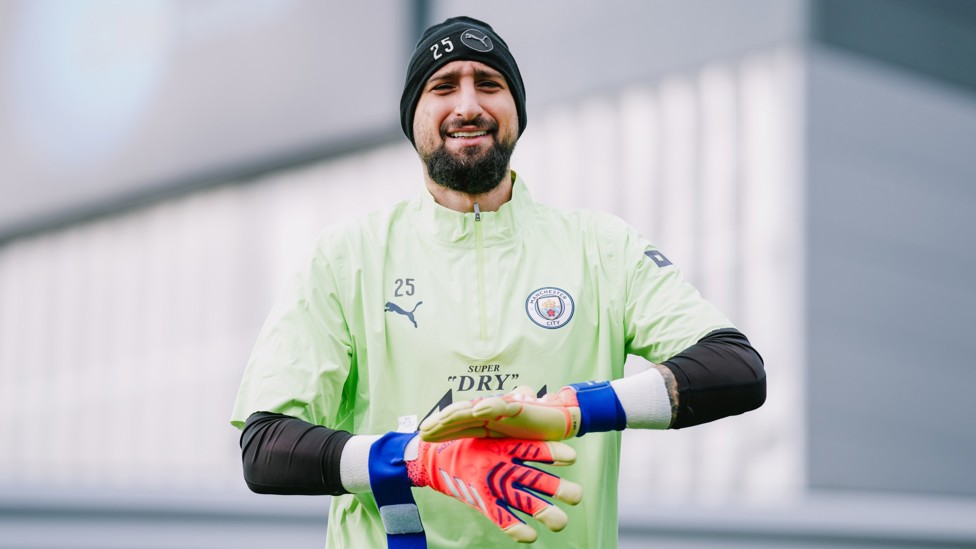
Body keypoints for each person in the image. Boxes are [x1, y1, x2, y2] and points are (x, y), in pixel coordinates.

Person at [231, 15, 765, 549]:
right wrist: (417, 460)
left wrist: (575, 409)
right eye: (443, 86)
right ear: (413, 117)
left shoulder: (601, 247)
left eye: (489, 84)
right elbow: (265, 448)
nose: (468, 105)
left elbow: (736, 368)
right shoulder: (346, 258)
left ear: (517, 112)